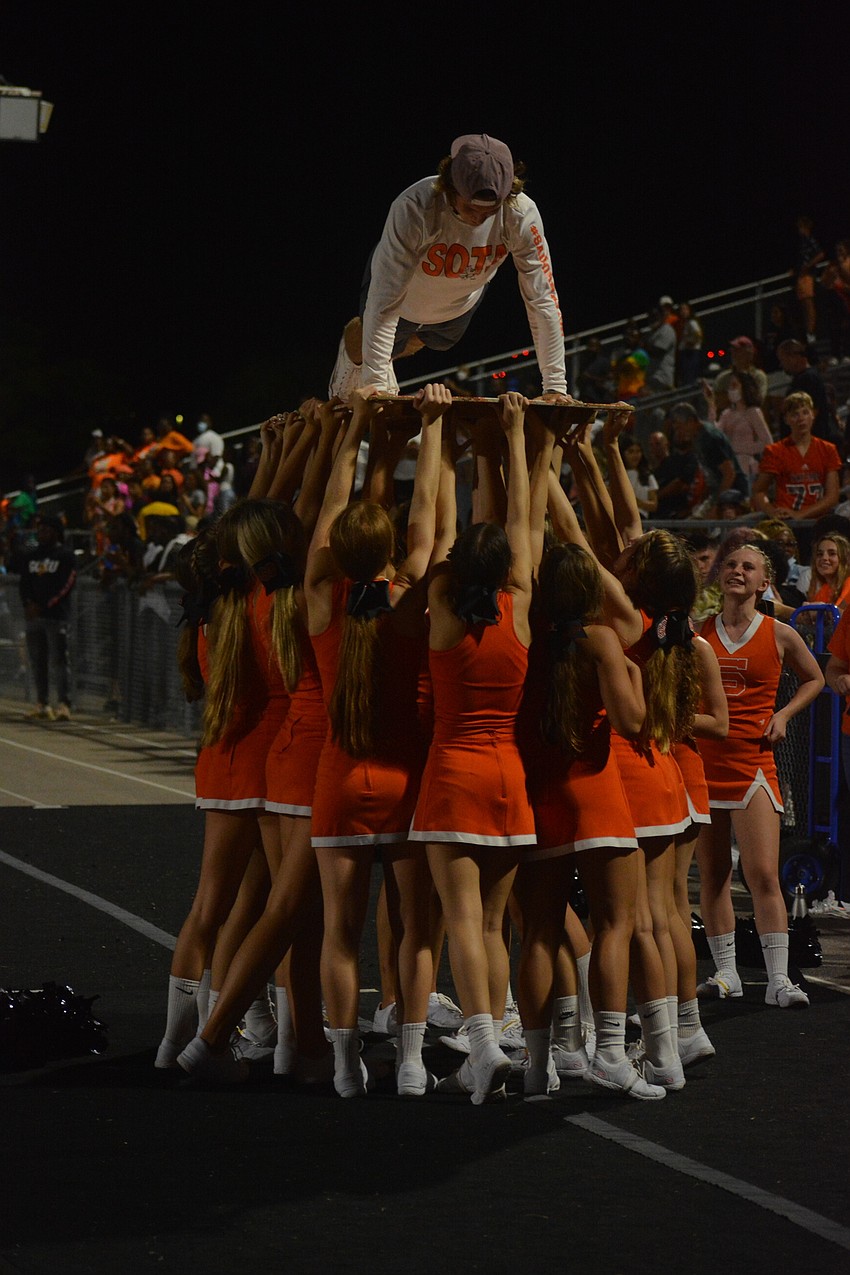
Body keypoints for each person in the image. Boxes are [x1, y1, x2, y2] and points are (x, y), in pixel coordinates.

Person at [305, 383, 448, 1098]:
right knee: (415, 927)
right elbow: (424, 526)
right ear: (390, 552)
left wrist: (354, 428)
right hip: (405, 781)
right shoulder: (409, 602)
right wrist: (432, 431)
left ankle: (343, 1065)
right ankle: (415, 1061)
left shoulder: (321, 604)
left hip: (338, 782)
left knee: (340, 932)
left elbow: (331, 513)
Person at [410, 391, 543, 1105]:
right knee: (494, 921)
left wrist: (439, 436)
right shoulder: (521, 601)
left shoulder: (440, 605)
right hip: (509, 778)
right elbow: (519, 523)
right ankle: (494, 1041)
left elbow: (435, 526)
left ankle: (485, 1044)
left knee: (460, 919)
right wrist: (514, 440)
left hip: (455, 772)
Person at [331, 134, 570, 404]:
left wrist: (555, 387)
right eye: (470, 208)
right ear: (449, 186)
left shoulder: (521, 213)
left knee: (419, 340)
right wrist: (375, 385)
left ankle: (380, 358)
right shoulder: (415, 207)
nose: (478, 218)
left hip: (458, 306)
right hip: (401, 296)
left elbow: (542, 299)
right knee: (364, 341)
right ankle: (353, 364)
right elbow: (385, 299)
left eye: (489, 212)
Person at [695, 540, 824, 1008]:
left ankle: (778, 980)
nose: (737, 571)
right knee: (711, 875)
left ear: (764, 582)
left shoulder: (779, 633)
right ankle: (726, 973)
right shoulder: (698, 632)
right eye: (730, 564)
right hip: (704, 765)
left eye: (748, 567)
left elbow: (816, 678)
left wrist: (784, 715)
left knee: (763, 875)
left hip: (753, 764)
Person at [751, 391, 842, 529]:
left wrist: (800, 514)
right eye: (795, 414)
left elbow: (832, 496)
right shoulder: (775, 451)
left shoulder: (828, 449)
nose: (801, 418)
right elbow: (759, 491)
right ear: (786, 419)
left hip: (818, 524)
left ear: (813, 414)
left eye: (805, 412)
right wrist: (772, 512)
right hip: (786, 525)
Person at [18, 513, 77, 721]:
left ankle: (64, 704)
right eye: (39, 529)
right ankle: (42, 703)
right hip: (34, 617)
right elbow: (24, 583)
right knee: (37, 660)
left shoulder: (66, 556)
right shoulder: (31, 556)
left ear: (56, 532)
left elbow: (66, 585)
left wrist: (43, 606)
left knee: (60, 660)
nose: (41, 533)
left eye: (46, 529)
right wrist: (28, 604)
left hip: (56, 616)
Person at [702, 370, 773, 491]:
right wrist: (711, 404)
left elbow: (767, 442)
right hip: (729, 468)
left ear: (744, 387)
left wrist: (739, 448)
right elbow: (714, 434)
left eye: (734, 385)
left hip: (746, 467)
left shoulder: (753, 412)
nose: (730, 389)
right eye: (729, 386)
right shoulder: (727, 414)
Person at [775, 339, 843, 446]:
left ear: (793, 356)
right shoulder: (801, 378)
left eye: (783, 359)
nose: (782, 365)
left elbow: (813, 410)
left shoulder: (808, 378)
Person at [711, 336, 768, 412]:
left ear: (750, 353)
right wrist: (743, 395)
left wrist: (728, 396)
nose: (734, 353)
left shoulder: (758, 376)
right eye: (732, 350)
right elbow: (717, 402)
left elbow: (757, 401)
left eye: (738, 350)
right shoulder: (723, 377)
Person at [806, 532, 850, 611]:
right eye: (820, 554)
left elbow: (839, 616)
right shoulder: (825, 588)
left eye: (832, 554)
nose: (824, 558)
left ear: (844, 559)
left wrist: (783, 609)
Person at [618, 432, 658, 517]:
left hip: (641, 518)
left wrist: (637, 502)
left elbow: (654, 505)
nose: (635, 455)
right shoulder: (616, 475)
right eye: (631, 452)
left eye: (638, 451)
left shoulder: (647, 476)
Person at [676, 301, 704, 386]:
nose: (683, 312)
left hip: (691, 353)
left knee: (690, 377)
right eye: (681, 310)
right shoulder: (684, 323)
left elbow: (698, 335)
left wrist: (690, 343)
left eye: (685, 309)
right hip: (686, 352)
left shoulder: (692, 322)